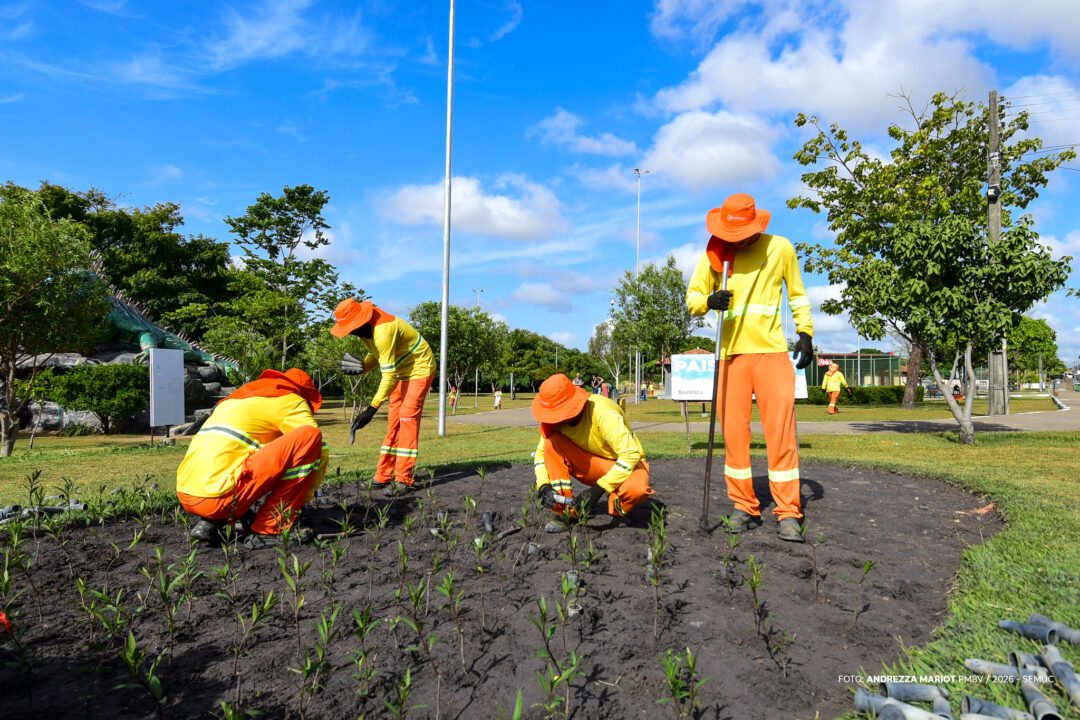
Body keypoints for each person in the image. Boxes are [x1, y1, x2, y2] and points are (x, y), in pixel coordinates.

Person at [686, 193, 815, 542]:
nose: (735, 240)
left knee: (781, 434)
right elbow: (693, 297)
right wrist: (708, 302)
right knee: (735, 439)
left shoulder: (781, 248)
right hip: (730, 356)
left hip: (772, 353)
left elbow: (798, 295)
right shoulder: (716, 252)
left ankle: (788, 511)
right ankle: (743, 505)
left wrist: (805, 333)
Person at [176, 368, 328, 549]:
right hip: (219, 498)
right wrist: (299, 502)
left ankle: (212, 523)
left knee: (243, 453)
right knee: (309, 437)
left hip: (186, 493)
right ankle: (270, 529)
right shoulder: (291, 399)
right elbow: (319, 449)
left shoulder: (232, 402)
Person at [331, 298, 435, 495]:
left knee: (407, 418)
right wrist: (364, 368)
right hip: (400, 371)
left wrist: (371, 409)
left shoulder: (383, 330)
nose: (351, 333)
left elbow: (389, 374)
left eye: (351, 329)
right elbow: (379, 354)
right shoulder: (367, 330)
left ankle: (404, 478)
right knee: (394, 423)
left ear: (360, 322)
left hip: (419, 369)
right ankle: (383, 475)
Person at [531, 373, 654, 532]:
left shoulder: (602, 412)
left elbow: (630, 455)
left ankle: (618, 510)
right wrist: (543, 485)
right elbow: (541, 455)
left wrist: (597, 490)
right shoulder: (553, 423)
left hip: (623, 464)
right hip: (588, 465)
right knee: (550, 444)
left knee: (637, 489)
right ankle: (566, 512)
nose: (553, 420)